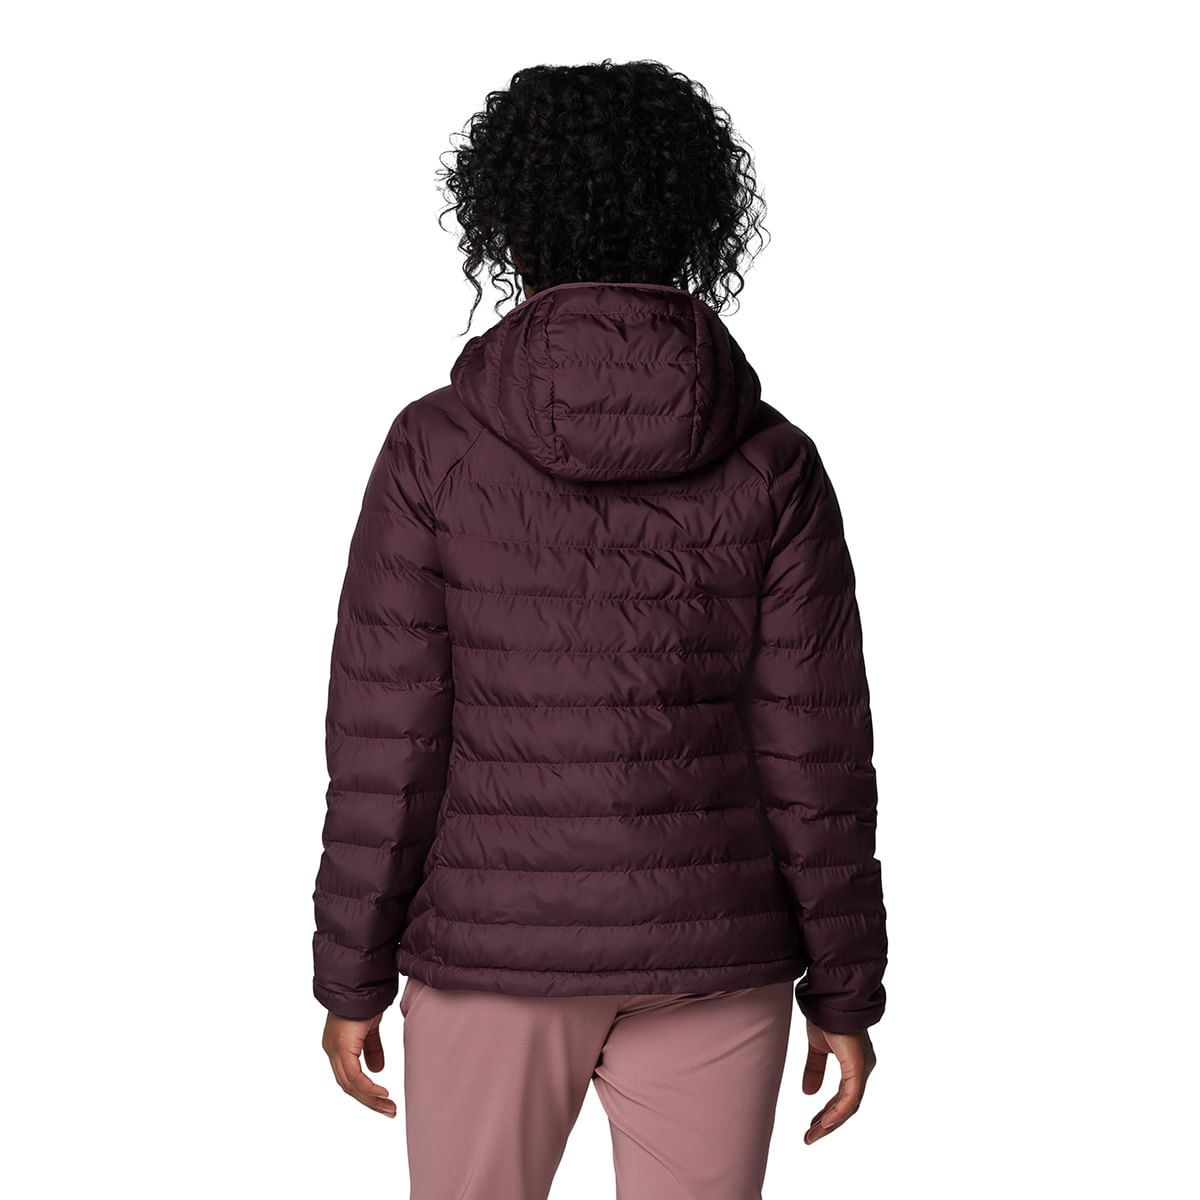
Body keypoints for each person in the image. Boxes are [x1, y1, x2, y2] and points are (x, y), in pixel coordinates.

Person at [312, 58, 887, 1200]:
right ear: (695, 223)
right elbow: (815, 756)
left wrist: (351, 973)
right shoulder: (774, 463)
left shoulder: (434, 449)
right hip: (715, 950)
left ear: (508, 225)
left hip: (491, 948)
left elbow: (389, 743)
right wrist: (844, 986)